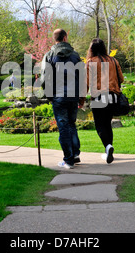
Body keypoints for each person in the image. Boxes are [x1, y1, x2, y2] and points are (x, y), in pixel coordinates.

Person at [40, 28, 86, 169]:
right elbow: (82, 77)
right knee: (71, 124)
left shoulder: (49, 56)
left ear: (55, 39)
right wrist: (82, 96)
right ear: (65, 38)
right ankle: (75, 154)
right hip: (73, 96)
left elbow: (44, 79)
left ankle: (69, 160)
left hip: (58, 97)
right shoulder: (75, 56)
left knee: (64, 127)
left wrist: (50, 96)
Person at [83, 38, 124, 164]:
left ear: (91, 49)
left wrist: (82, 98)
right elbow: (121, 79)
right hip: (113, 96)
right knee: (107, 123)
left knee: (100, 125)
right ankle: (108, 148)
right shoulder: (113, 60)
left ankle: (107, 147)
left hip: (99, 96)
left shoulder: (90, 62)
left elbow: (86, 83)